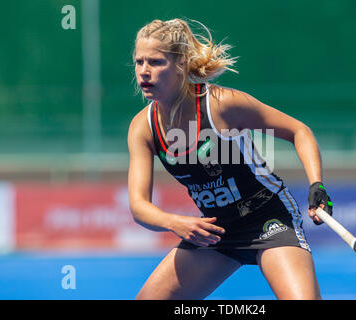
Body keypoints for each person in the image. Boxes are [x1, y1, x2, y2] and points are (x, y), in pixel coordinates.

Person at [128, 18, 333, 300]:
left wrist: (317, 185)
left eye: (156, 62)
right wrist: (174, 222)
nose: (144, 72)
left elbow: (299, 131)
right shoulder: (143, 127)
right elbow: (139, 206)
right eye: (139, 62)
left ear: (181, 65)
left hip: (269, 218)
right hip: (216, 229)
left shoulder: (222, 105)